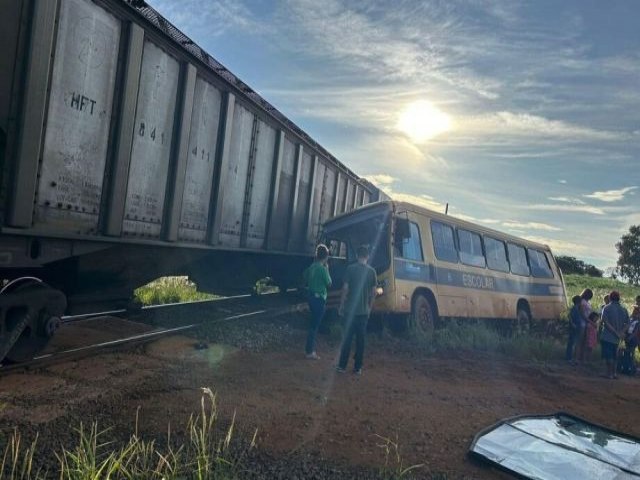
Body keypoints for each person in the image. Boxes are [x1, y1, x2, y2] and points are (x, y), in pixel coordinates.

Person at [336, 245, 377, 375]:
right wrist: (369, 307)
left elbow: (345, 289)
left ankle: (342, 366)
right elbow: (374, 292)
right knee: (361, 341)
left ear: (357, 256)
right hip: (364, 312)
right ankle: (358, 367)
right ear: (368, 256)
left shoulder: (350, 269)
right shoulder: (372, 272)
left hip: (349, 311)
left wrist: (341, 305)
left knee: (347, 339)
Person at [303, 244, 332, 360]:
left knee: (313, 324)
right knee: (314, 326)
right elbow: (329, 283)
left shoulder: (312, 267)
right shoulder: (323, 269)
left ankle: (310, 349)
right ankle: (310, 351)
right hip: (319, 299)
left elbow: (304, 276)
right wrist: (327, 269)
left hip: (310, 297)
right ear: (326, 257)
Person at [600, 290, 629, 379]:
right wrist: (621, 332)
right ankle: (614, 373)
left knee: (609, 355)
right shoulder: (624, 309)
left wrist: (615, 332)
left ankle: (609, 373)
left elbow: (605, 322)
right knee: (615, 355)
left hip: (607, 336)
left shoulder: (607, 308)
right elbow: (628, 323)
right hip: (618, 338)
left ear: (610, 297)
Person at [620, 306, 640, 375]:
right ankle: (625, 368)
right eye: (634, 310)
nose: (634, 311)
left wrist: (630, 337)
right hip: (627, 337)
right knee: (626, 353)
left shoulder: (638, 321)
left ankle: (631, 369)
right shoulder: (631, 319)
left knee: (631, 353)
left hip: (633, 339)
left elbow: (636, 331)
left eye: (636, 310)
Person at [575, 288, 593, 364]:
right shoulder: (582, 302)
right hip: (582, 323)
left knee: (584, 342)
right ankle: (577, 358)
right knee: (580, 341)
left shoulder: (587, 302)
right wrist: (589, 320)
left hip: (587, 323)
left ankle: (582, 358)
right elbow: (582, 313)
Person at [565, 295, 583, 363]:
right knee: (571, 343)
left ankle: (570, 358)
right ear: (579, 301)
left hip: (576, 327)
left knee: (573, 343)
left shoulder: (576, 308)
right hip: (574, 328)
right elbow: (570, 317)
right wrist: (573, 325)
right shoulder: (574, 308)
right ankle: (569, 358)